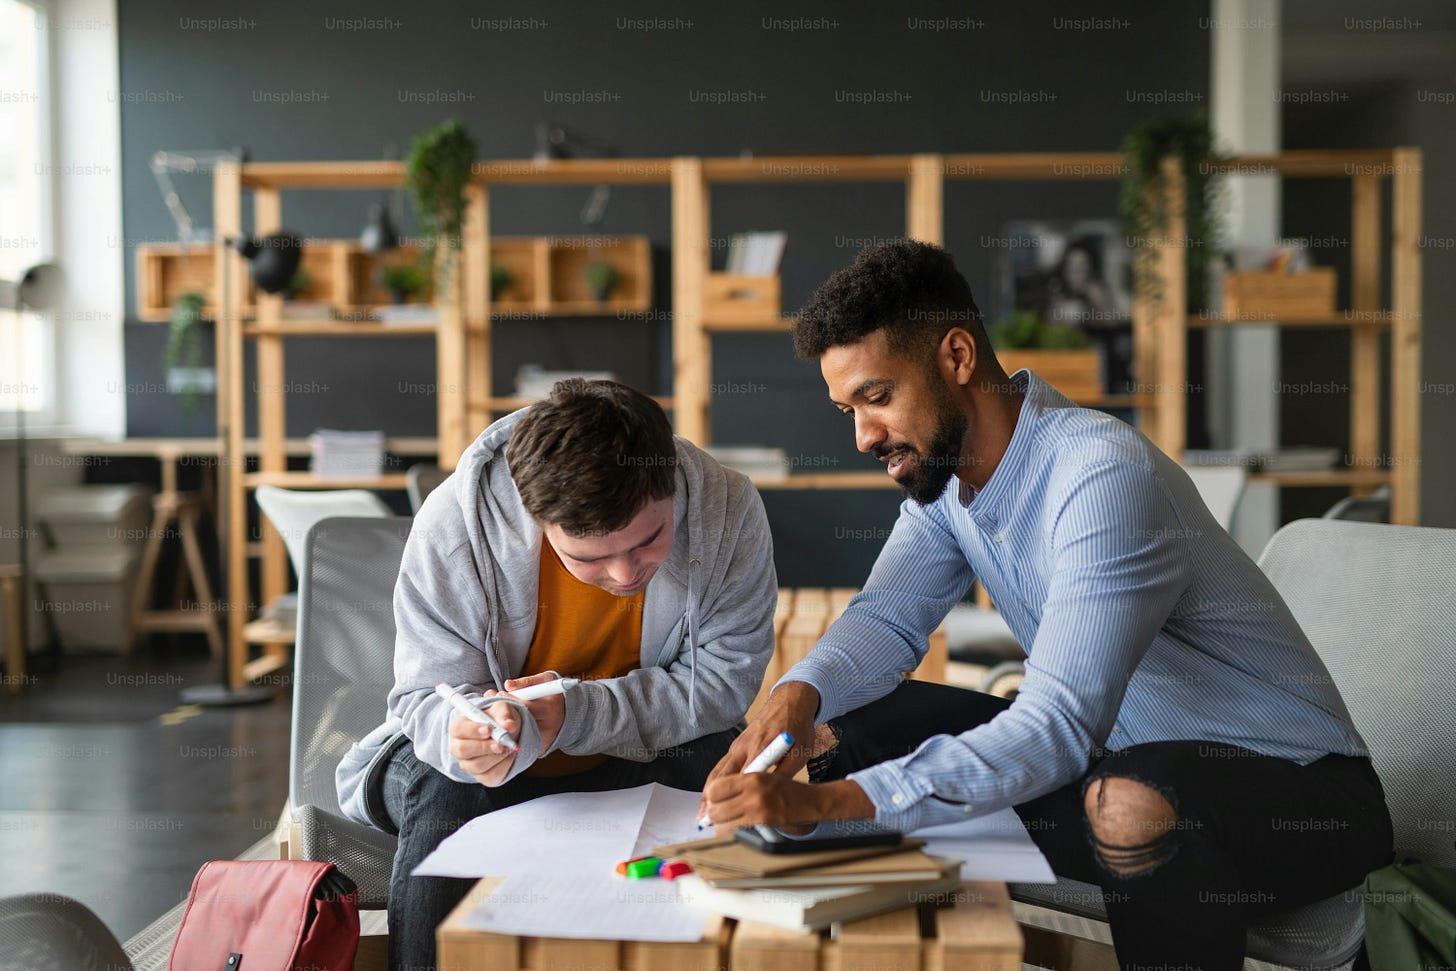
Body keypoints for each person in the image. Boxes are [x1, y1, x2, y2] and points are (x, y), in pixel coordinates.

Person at [701, 241, 1392, 971]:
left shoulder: (1100, 473)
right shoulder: (947, 485)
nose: (863, 435)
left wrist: (833, 806)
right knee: (836, 733)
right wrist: (792, 698)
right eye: (848, 408)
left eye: (876, 397)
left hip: (1302, 800)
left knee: (1129, 800)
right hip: (1117, 760)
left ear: (957, 356)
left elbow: (1056, 725)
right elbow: (885, 619)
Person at [337, 379, 776, 971]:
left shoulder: (729, 508)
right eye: (589, 558)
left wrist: (573, 713)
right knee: (451, 790)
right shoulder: (455, 525)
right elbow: (425, 697)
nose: (625, 574)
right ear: (536, 518)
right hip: (476, 771)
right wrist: (462, 737)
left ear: (669, 483)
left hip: (632, 754)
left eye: (650, 541)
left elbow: (722, 683)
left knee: (721, 770)